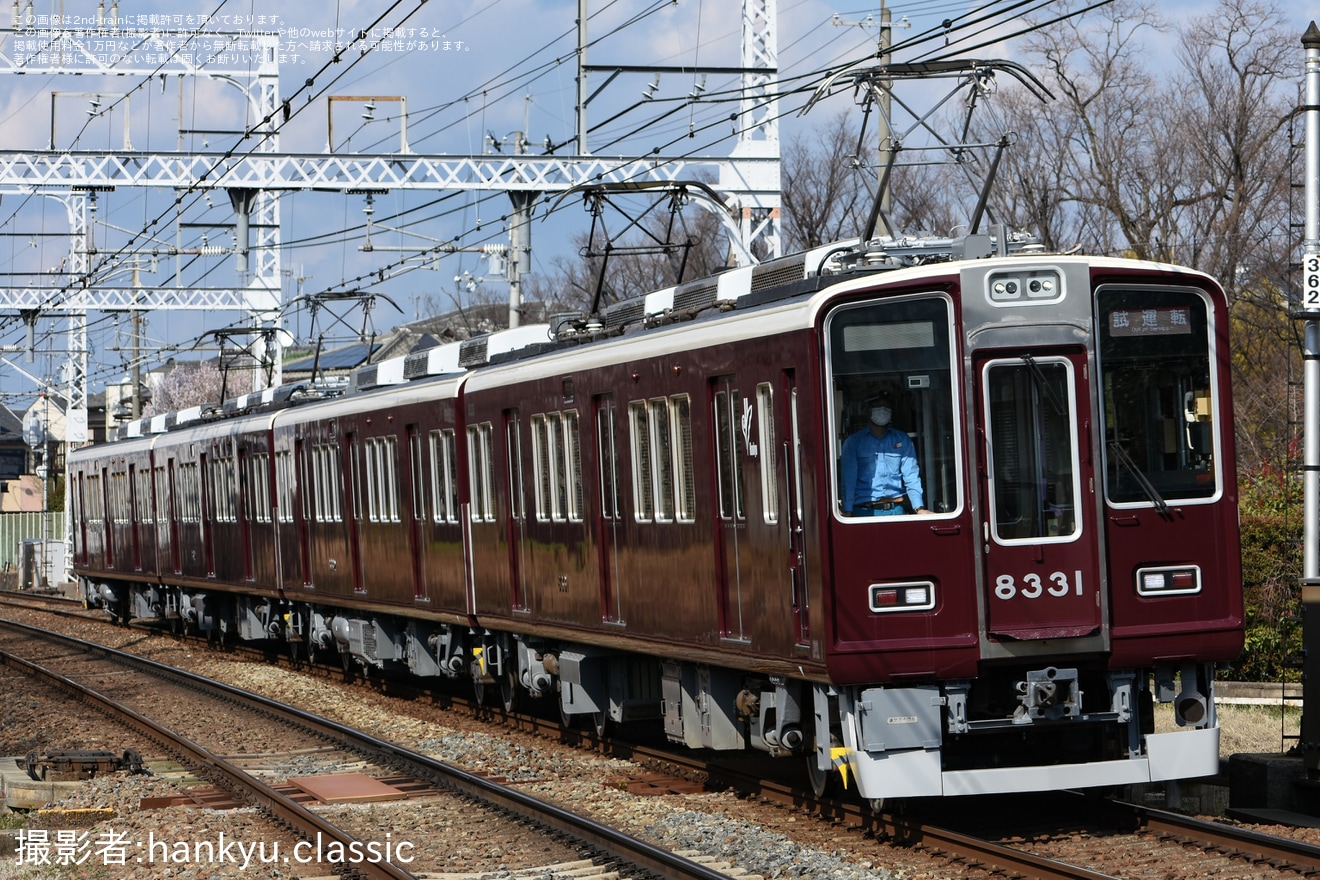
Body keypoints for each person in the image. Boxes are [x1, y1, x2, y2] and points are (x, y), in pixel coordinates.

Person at [839, 389, 931, 516]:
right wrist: (847, 511)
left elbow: (911, 475)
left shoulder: (902, 439)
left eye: (886, 406)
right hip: (863, 512)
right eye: (877, 406)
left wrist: (919, 508)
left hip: (896, 511)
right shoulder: (854, 442)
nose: (882, 410)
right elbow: (848, 480)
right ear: (867, 410)